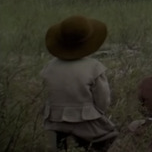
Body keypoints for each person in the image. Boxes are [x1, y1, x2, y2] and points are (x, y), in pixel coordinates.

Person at [41, 15, 118, 152]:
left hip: (54, 120)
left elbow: (45, 93)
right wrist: (99, 114)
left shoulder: (49, 67)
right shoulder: (94, 67)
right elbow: (103, 101)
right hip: (85, 120)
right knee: (107, 138)